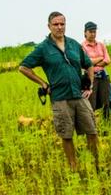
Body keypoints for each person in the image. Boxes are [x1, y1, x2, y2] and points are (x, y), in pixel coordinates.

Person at [19, 12, 99, 171]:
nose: (59, 27)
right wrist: (43, 83)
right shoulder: (43, 48)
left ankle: (97, 165)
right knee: (66, 135)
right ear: (49, 26)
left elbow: (88, 64)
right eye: (55, 24)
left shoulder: (74, 44)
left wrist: (89, 86)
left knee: (92, 131)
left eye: (62, 24)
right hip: (60, 98)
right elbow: (23, 67)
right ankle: (73, 168)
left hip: (79, 95)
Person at [81, 21, 111, 120]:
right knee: (91, 102)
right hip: (91, 77)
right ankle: (91, 127)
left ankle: (107, 124)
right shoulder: (82, 46)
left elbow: (107, 60)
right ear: (85, 32)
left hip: (103, 76)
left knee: (106, 101)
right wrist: (100, 58)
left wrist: (93, 62)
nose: (93, 34)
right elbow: (85, 62)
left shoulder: (101, 45)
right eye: (90, 31)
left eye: (94, 32)